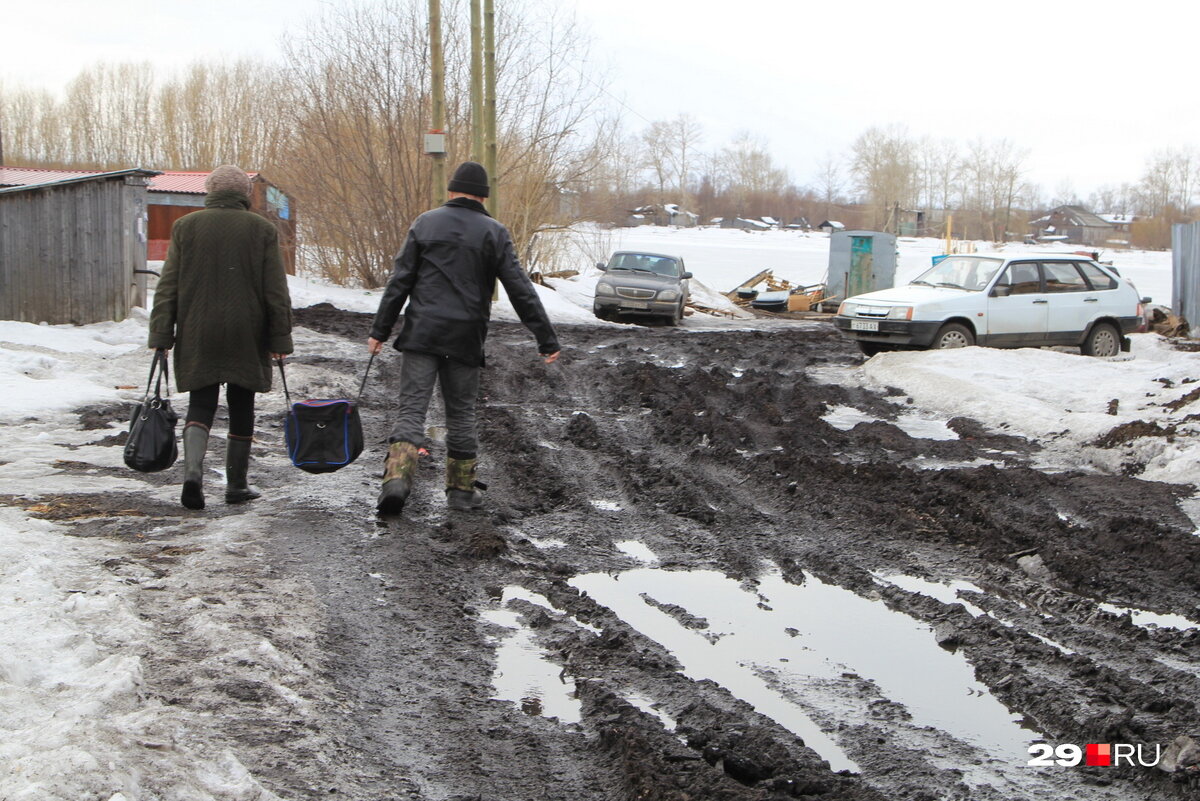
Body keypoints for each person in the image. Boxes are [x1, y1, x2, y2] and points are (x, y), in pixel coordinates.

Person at [368, 161, 560, 516]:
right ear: (483, 197)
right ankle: (460, 492)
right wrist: (545, 339)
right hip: (466, 337)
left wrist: (380, 330)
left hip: (422, 332)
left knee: (412, 409)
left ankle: (396, 481)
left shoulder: (425, 222)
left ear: (452, 192)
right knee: (460, 414)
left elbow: (400, 281)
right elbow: (521, 289)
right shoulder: (495, 232)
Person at [148, 165, 294, 510]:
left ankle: (192, 477)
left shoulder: (186, 227)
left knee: (201, 403)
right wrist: (280, 339)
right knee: (243, 404)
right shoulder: (261, 229)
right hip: (247, 330)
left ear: (210, 191)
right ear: (245, 194)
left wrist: (161, 333)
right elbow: (275, 290)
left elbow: (168, 286)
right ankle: (237, 486)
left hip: (197, 329)